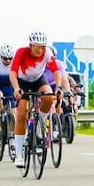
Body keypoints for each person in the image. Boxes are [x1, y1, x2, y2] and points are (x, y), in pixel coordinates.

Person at [9, 30, 62, 167]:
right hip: (22, 82)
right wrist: (16, 88)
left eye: (43, 47)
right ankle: (19, 154)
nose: (40, 50)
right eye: (37, 47)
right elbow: (13, 72)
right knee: (21, 114)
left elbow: (56, 71)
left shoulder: (47, 54)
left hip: (38, 80)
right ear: (30, 45)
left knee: (49, 97)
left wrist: (58, 88)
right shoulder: (21, 52)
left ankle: (40, 123)